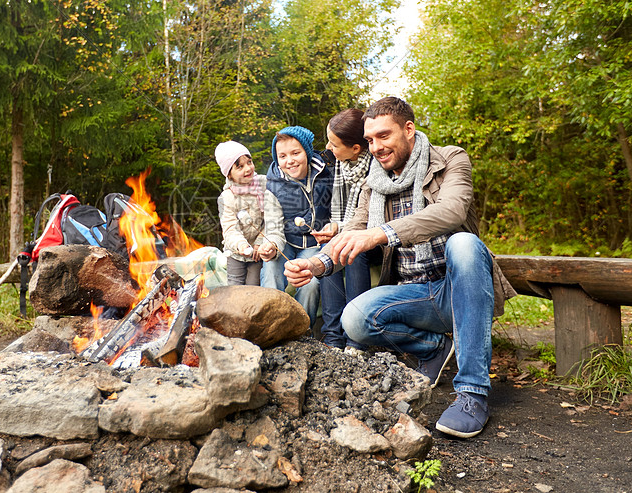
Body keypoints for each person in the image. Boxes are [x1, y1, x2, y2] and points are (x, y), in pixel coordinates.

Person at [284, 96, 516, 439]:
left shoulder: (450, 159)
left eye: (383, 136)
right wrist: (316, 263)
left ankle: (472, 393)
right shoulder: (373, 182)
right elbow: (352, 231)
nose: (375, 147)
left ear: (408, 129)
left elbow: (452, 211)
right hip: (415, 295)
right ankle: (433, 349)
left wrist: (382, 233)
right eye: (370, 140)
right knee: (354, 318)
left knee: (464, 244)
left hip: (460, 286)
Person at [312, 109, 373, 354]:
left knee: (352, 250)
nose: (328, 148)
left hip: (377, 235)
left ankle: (356, 339)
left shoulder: (376, 168)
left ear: (356, 148)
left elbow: (368, 217)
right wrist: (335, 227)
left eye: (334, 144)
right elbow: (340, 214)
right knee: (329, 248)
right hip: (350, 228)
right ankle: (332, 336)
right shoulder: (338, 165)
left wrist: (343, 231)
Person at [261, 126, 333, 326]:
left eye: (295, 153)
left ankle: (303, 330)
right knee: (270, 270)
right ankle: (271, 327)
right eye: (282, 156)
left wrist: (332, 227)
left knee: (309, 284)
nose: (289, 161)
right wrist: (272, 246)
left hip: (313, 245)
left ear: (307, 153)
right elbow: (274, 229)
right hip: (286, 242)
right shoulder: (273, 185)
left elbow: (337, 213)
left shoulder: (326, 175)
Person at [214, 141, 284, 285]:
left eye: (249, 162)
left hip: (258, 250)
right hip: (236, 251)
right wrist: (241, 245)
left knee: (253, 285)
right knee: (235, 286)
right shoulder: (227, 197)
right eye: (240, 166)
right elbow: (229, 229)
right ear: (229, 174)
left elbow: (270, 219)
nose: (248, 168)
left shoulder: (264, 184)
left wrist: (259, 243)